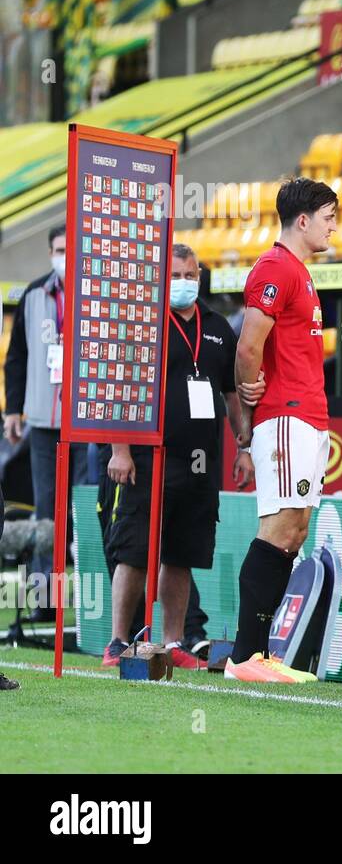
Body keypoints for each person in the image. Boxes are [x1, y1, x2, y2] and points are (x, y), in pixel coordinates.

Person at [101, 244, 254, 668]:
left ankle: (172, 643)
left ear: (200, 275)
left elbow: (232, 395)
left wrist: (244, 446)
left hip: (201, 461)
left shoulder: (220, 327)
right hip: (148, 457)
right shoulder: (142, 324)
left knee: (182, 553)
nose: (183, 283)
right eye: (175, 276)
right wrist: (120, 450)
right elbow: (120, 390)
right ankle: (117, 642)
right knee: (134, 550)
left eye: (190, 275)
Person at [224, 177, 336, 682]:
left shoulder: (301, 273)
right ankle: (244, 656)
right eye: (329, 216)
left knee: (294, 531)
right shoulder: (275, 267)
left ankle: (259, 655)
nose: (335, 226)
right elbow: (248, 347)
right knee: (277, 529)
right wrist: (249, 400)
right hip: (287, 414)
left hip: (306, 416)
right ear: (304, 220)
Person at [2, 228, 88, 620]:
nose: (64, 256)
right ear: (49, 252)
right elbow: (16, 357)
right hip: (43, 421)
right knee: (45, 514)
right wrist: (13, 411)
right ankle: (44, 601)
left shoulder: (95, 293)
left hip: (87, 424)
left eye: (70, 249)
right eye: (58, 250)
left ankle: (92, 604)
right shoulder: (34, 295)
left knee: (85, 510)